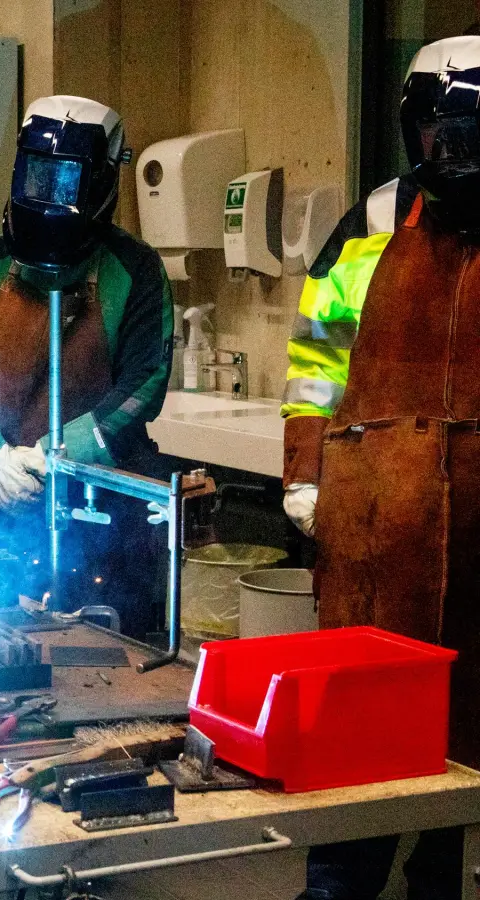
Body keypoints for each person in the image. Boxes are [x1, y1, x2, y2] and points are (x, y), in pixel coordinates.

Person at [282, 36, 480, 900]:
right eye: (439, 134)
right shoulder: (372, 221)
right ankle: (338, 882)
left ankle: (441, 879)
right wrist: (303, 468)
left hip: (477, 543)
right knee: (360, 732)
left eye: (469, 135)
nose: (453, 152)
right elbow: (315, 356)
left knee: (465, 744)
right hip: (375, 540)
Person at [0, 96, 173, 636]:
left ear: (101, 184)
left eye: (65, 183)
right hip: (4, 500)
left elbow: (144, 382)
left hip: (104, 508)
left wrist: (63, 453)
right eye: (39, 178)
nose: (50, 196)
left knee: (113, 653)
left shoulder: (135, 269)